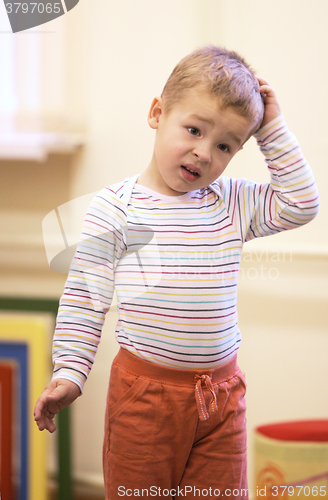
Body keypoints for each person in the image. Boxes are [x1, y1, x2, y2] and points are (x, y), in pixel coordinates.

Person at [34, 46, 319, 498]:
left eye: (225, 145)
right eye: (193, 129)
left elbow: (300, 204)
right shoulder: (116, 208)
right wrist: (70, 370)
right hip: (144, 399)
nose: (204, 153)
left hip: (221, 397)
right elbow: (86, 297)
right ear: (157, 113)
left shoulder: (230, 202)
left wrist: (272, 130)